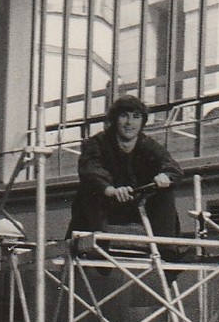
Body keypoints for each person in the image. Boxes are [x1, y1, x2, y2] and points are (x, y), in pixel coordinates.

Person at [70, 94, 182, 239]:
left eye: (136, 117)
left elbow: (172, 166)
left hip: (135, 209)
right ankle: (99, 241)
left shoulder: (148, 145)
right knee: (91, 191)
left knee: (165, 192)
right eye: (124, 116)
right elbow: (90, 170)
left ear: (142, 122)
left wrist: (166, 175)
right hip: (103, 209)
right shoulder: (96, 143)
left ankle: (165, 246)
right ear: (115, 119)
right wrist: (110, 190)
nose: (130, 123)